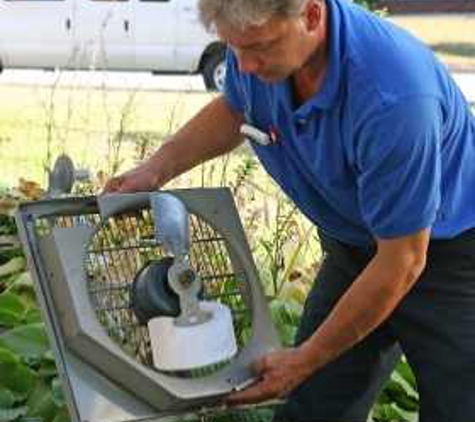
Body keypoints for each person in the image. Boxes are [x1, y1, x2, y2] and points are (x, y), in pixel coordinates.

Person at [104, 0, 475, 420]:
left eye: (258, 47)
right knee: (313, 406)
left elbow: (403, 260)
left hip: (450, 255)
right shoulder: (260, 46)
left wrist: (303, 360)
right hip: (354, 245)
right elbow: (234, 109)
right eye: (232, 47)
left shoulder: (394, 97)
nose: (243, 66)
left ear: (312, 16)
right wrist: (155, 169)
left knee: (458, 406)